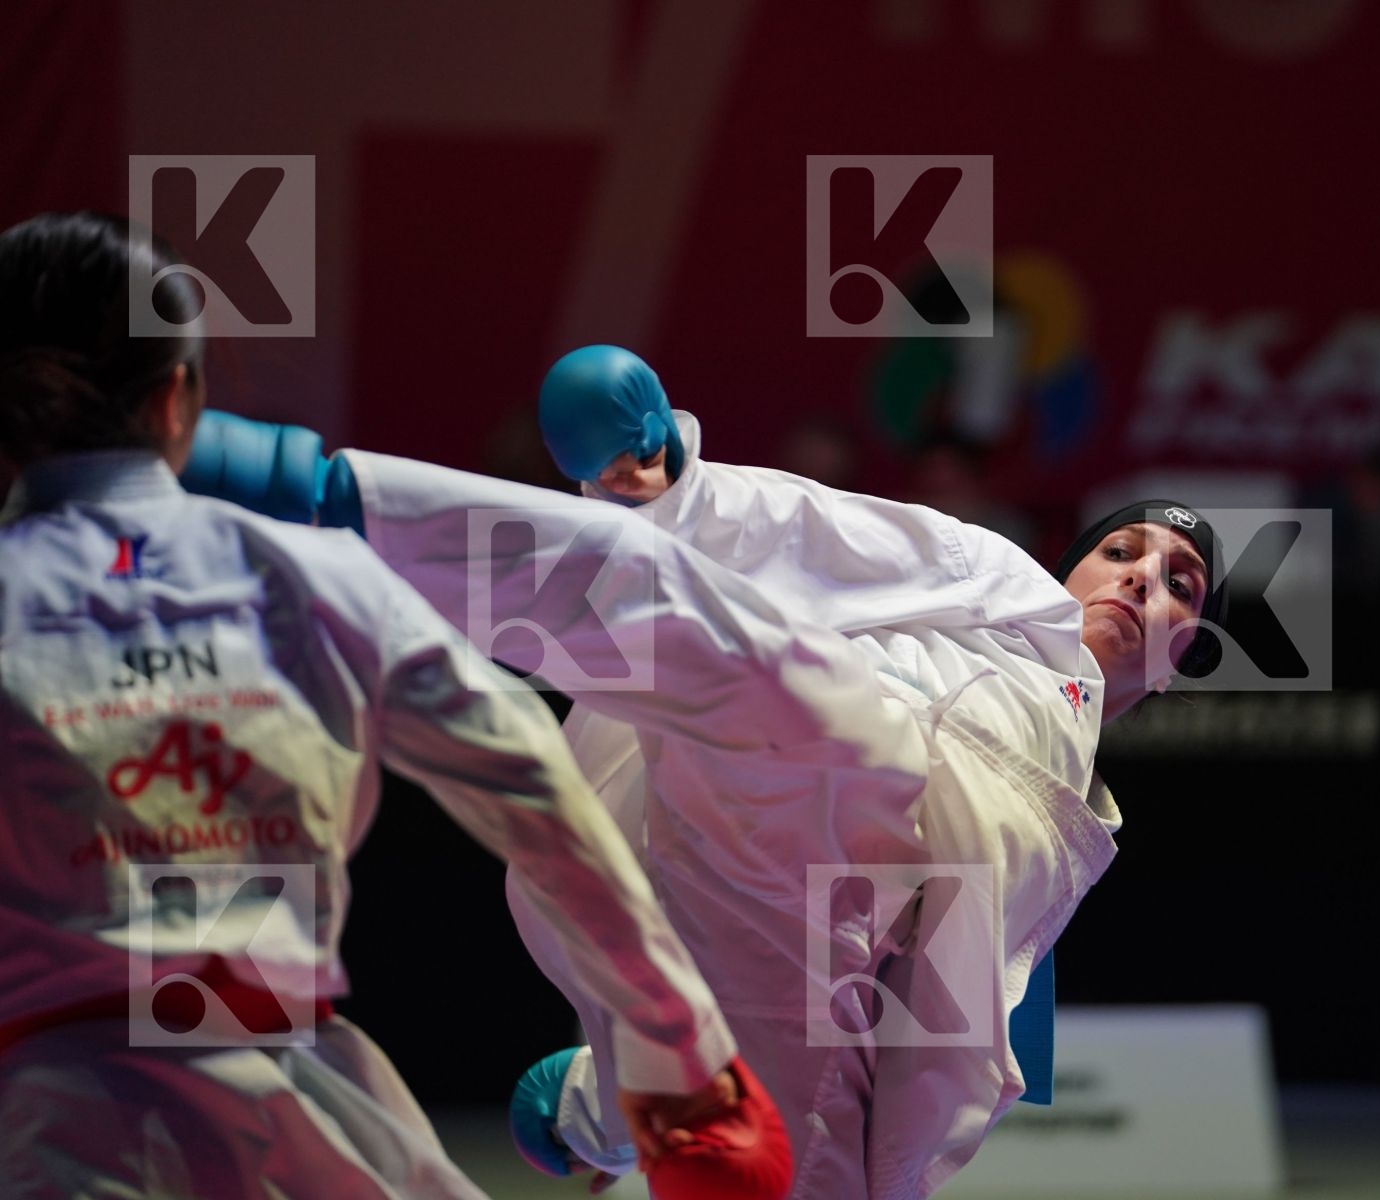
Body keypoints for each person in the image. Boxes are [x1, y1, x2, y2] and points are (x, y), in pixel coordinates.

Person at [188, 346, 1226, 1198]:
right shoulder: (1007, 591)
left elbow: (947, 1056)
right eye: (1123, 553)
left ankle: (597, 1109)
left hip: (802, 919)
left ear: (1183, 663)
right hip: (812, 747)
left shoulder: (1078, 835)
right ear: (1066, 569)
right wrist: (683, 487)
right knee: (691, 621)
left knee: (797, 1155)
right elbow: (826, 536)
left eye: (1179, 585)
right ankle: (313, 498)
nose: (1144, 579)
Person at [0, 216, 789, 1200]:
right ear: (178, 400)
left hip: (47, 1128)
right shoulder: (316, 575)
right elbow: (539, 801)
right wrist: (683, 1059)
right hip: (309, 1118)